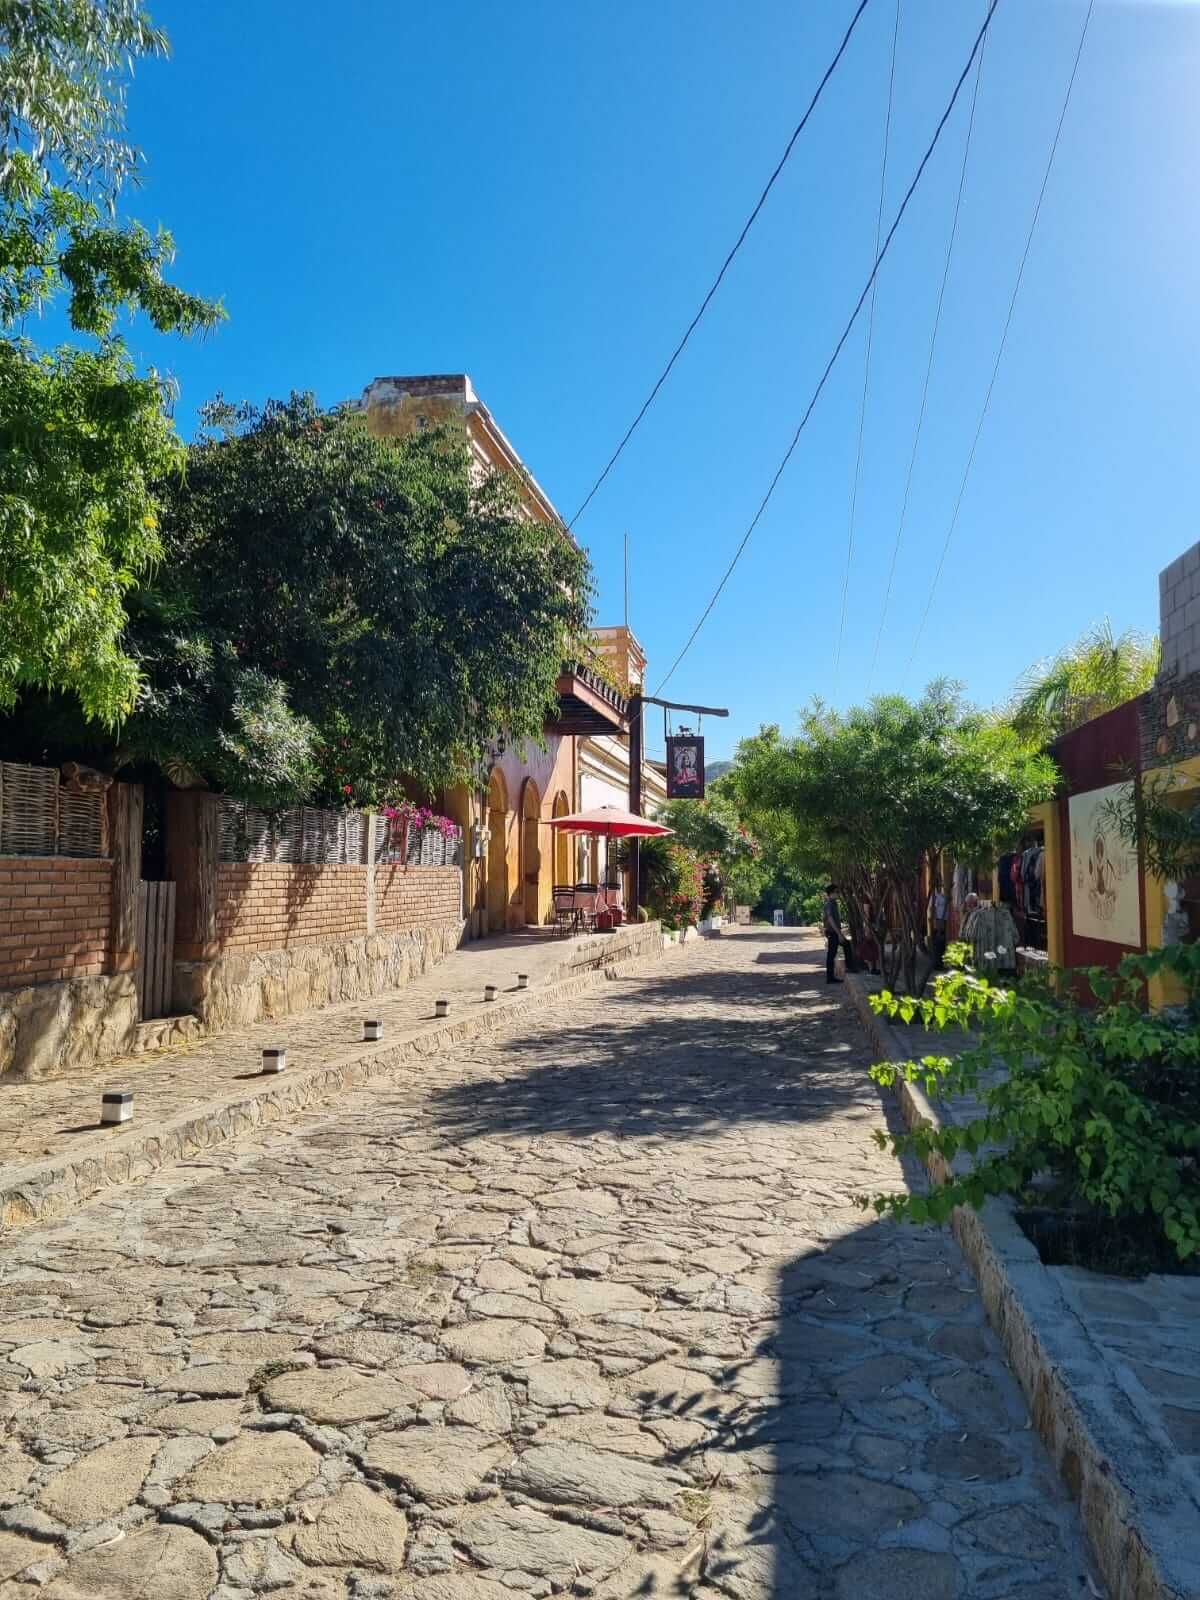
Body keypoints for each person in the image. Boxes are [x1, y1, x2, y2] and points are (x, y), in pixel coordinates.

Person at [823, 883, 843, 984]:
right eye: (836, 892)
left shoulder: (834, 903)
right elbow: (830, 919)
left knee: (834, 953)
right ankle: (830, 978)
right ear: (831, 893)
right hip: (832, 932)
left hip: (834, 931)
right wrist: (838, 933)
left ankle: (831, 977)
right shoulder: (830, 904)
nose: (838, 894)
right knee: (831, 954)